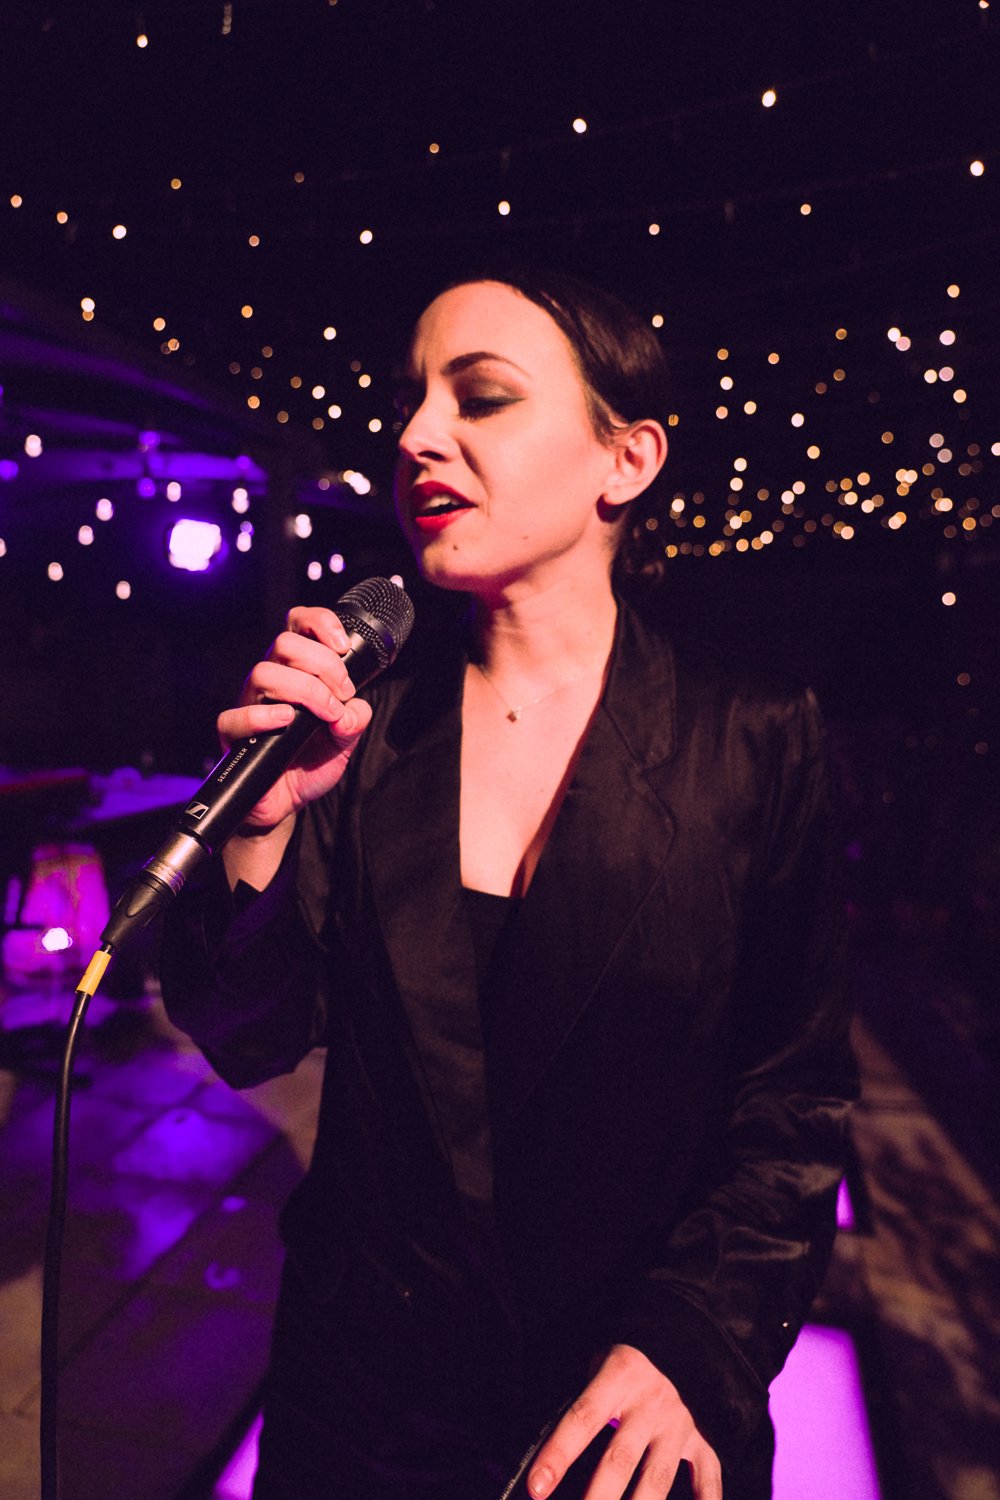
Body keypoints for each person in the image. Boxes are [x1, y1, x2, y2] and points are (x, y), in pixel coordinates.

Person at [159, 268, 856, 1500]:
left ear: (625, 461)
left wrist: (691, 1343)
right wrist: (259, 833)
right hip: (363, 1417)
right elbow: (250, 1039)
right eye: (412, 400)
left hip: (622, 1426)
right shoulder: (355, 730)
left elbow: (791, 1103)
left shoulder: (753, 740)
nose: (416, 435)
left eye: (479, 397)